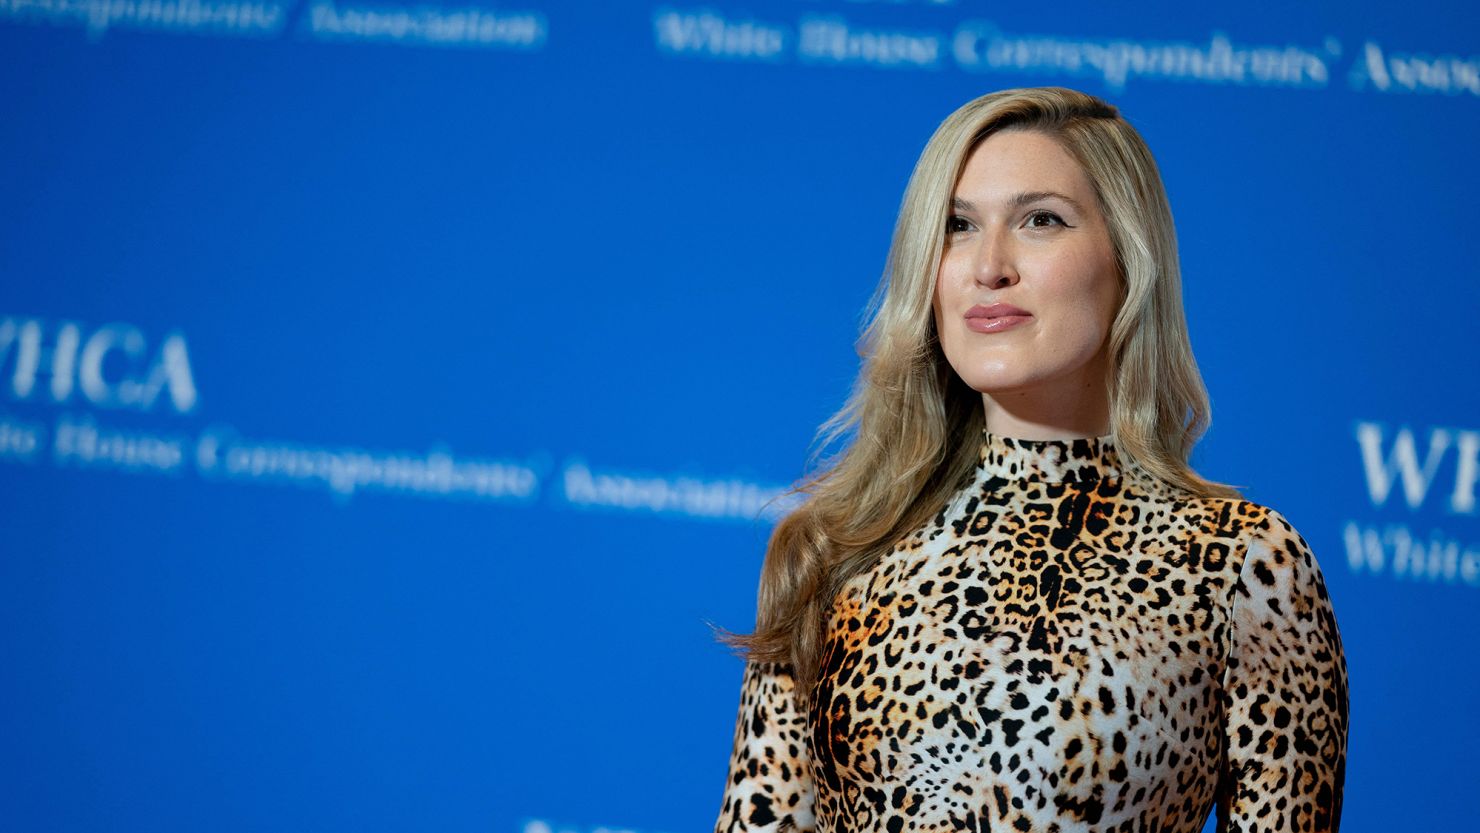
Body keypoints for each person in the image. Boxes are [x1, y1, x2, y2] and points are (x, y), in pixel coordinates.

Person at [712, 87, 1348, 832]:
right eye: (956, 226)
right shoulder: (834, 551)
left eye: (1040, 220)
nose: (988, 266)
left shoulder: (1244, 565)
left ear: (1129, 261)